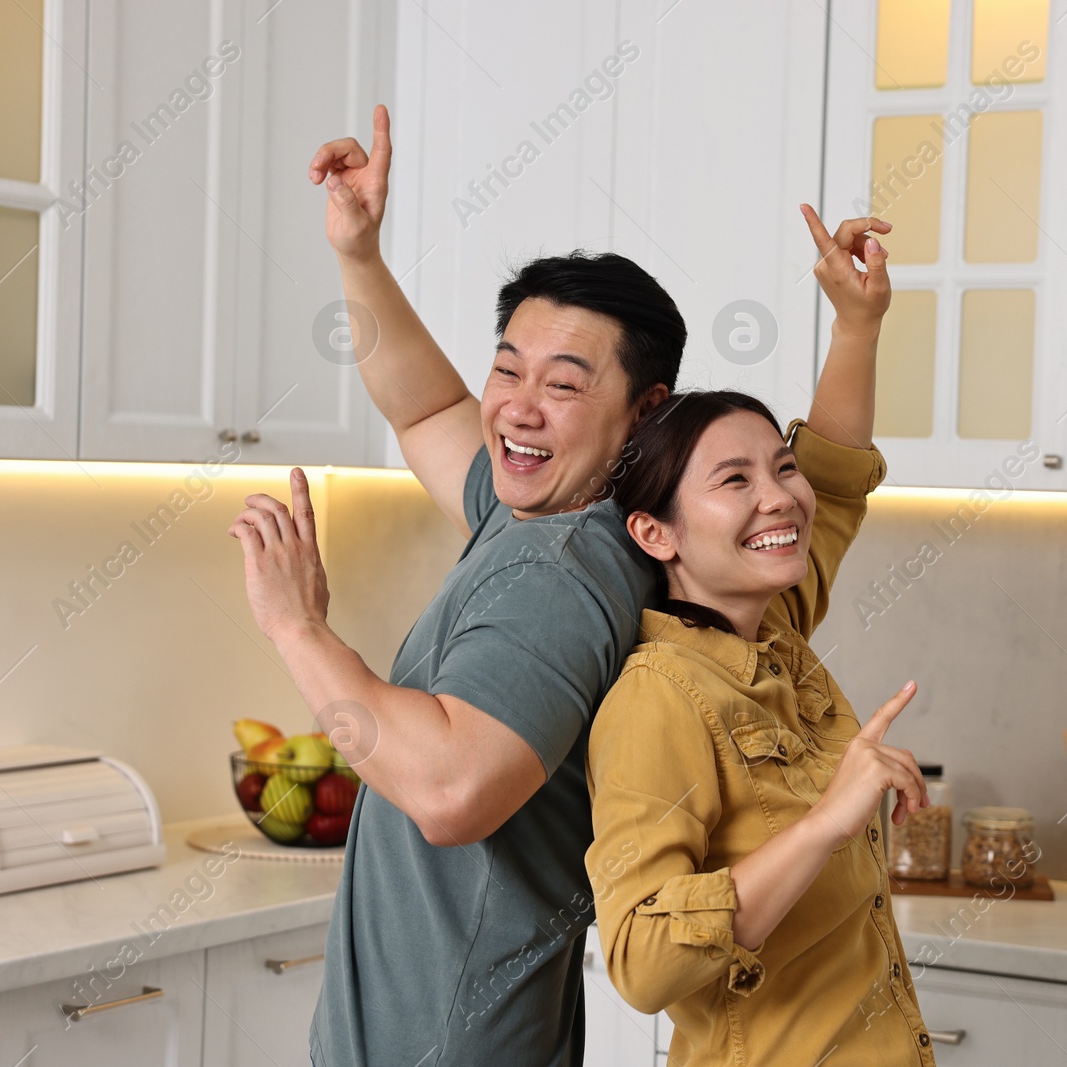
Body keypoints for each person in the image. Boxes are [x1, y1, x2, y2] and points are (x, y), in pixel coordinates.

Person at [228, 101, 898, 1065]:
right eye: (509, 368)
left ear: (644, 411)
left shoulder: (566, 571)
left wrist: (298, 629)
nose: (517, 407)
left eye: (566, 384)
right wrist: (360, 253)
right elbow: (425, 406)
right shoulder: (540, 510)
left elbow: (454, 790)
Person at [583, 224, 936, 1061]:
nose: (780, 496)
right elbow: (637, 959)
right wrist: (825, 824)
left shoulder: (770, 629)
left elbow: (838, 480)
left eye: (780, 467)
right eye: (734, 480)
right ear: (656, 532)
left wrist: (858, 323)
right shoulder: (658, 698)